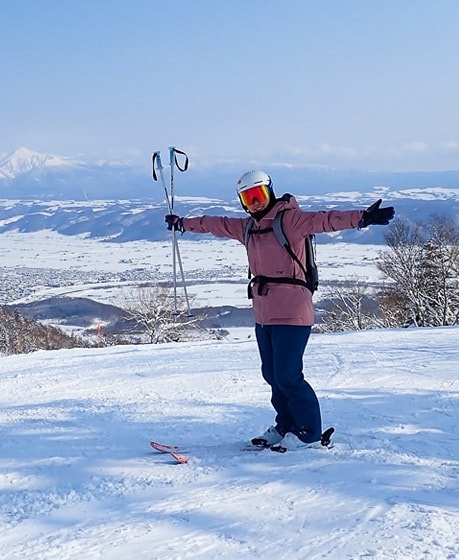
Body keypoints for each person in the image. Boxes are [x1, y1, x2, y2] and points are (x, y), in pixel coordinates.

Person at [164, 170, 394, 450]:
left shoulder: (290, 220)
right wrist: (183, 224)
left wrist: (362, 217)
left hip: (293, 310)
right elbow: (217, 224)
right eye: (248, 198)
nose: (255, 203)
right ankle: (285, 425)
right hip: (264, 312)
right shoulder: (247, 228)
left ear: (270, 192)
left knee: (288, 375)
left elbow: (325, 220)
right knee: (272, 375)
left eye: (259, 195)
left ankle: (309, 433)